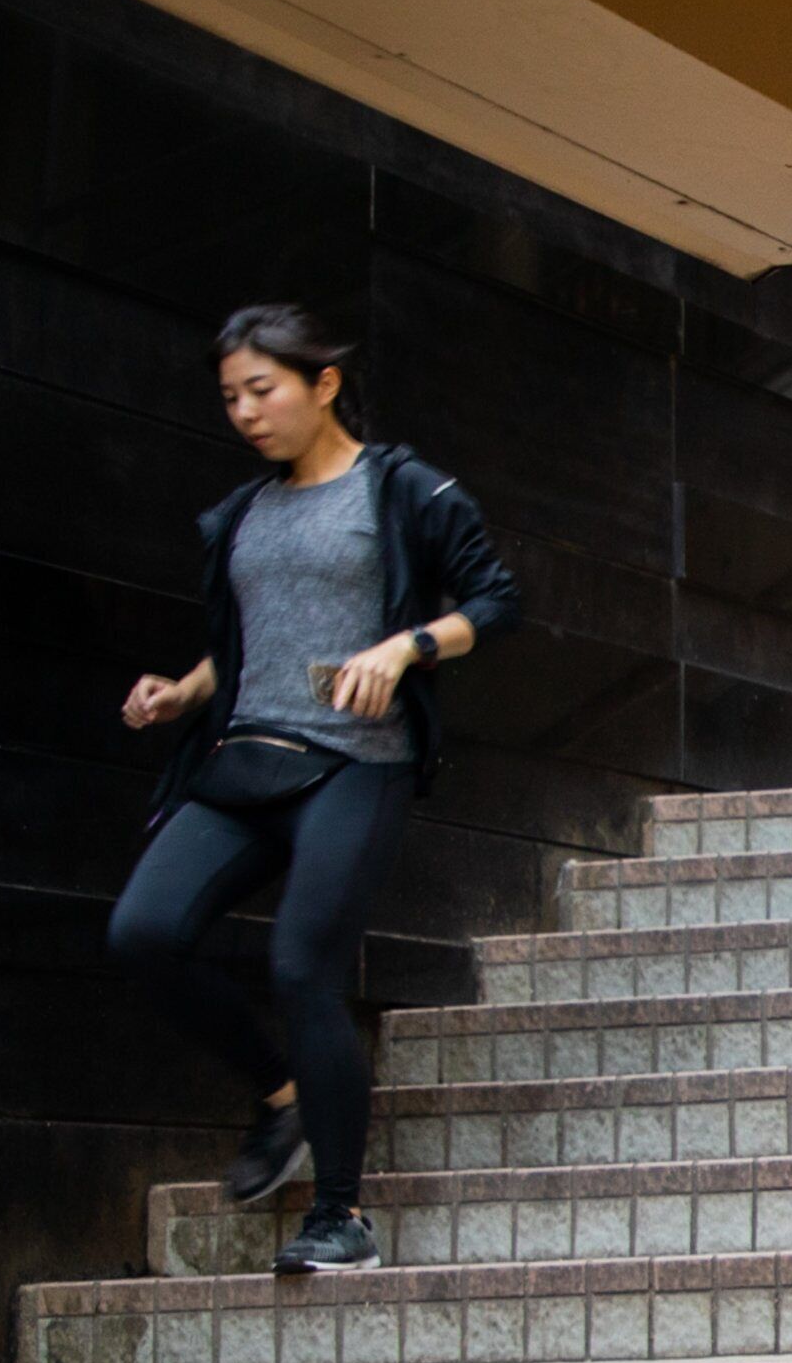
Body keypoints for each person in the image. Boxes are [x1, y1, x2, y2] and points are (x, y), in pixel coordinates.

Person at [108, 304, 521, 1274]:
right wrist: (185, 691)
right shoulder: (244, 513)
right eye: (231, 398)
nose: (246, 413)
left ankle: (342, 1215)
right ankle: (281, 1094)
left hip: (355, 763)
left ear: (323, 383)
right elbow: (249, 637)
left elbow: (496, 600)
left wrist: (406, 645)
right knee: (143, 934)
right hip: (246, 756)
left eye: (263, 389)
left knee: (303, 966)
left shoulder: (402, 487)